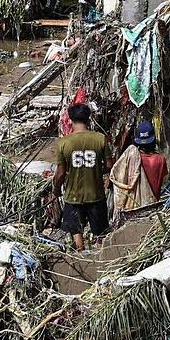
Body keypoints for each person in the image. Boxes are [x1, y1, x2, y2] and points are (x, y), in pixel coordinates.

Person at [53, 103, 112, 251]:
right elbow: (110, 166)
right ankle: (102, 258)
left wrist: (56, 189)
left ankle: (81, 256)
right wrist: (97, 171)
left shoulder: (63, 143)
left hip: (73, 196)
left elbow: (61, 173)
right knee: (101, 234)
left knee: (76, 232)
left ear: (70, 120)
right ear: (88, 119)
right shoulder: (100, 139)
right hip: (96, 195)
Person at [135, 120, 169, 198]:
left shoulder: (134, 159)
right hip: (154, 202)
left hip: (136, 202)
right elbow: (163, 179)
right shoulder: (161, 160)